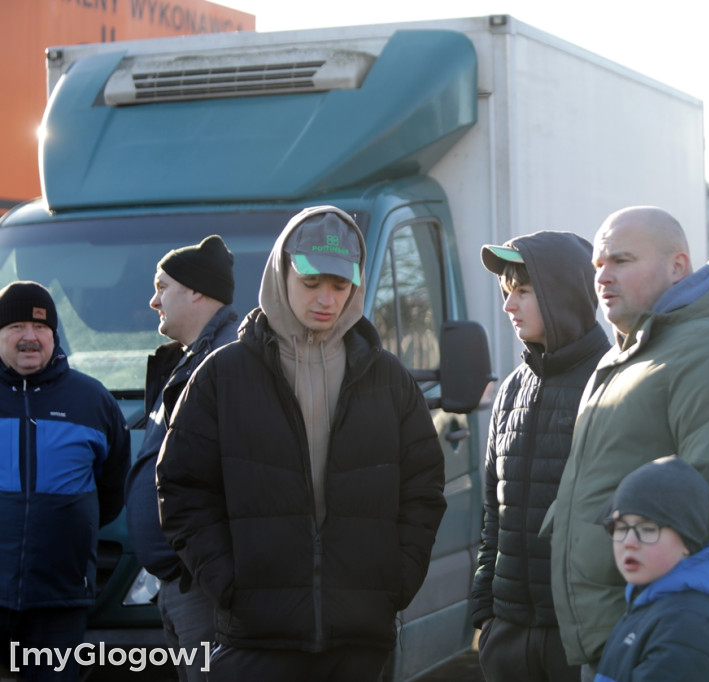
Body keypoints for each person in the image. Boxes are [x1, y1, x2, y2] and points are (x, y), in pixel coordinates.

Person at [155, 206, 447, 682]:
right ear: (280, 271)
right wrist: (231, 584)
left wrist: (394, 581)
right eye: (311, 283)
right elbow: (181, 487)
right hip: (254, 638)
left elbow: (423, 489)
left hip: (358, 639)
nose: (326, 299)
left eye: (340, 285)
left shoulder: (389, 378)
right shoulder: (223, 375)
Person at [545, 206, 709, 679]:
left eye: (621, 261)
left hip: (669, 641)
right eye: (598, 265)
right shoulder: (634, 351)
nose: (603, 277)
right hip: (626, 630)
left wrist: (669, 628)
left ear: (678, 266)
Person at [471, 231, 610, 682]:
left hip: (581, 640)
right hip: (509, 639)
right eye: (508, 293)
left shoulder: (613, 382)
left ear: (564, 295)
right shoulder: (511, 389)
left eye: (524, 292)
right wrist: (487, 616)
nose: (509, 306)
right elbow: (494, 512)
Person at [0, 281, 130, 681]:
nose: (29, 337)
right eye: (16, 326)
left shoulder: (93, 401)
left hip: (61, 600)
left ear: (54, 336)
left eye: (40, 328)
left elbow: (112, 490)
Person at [123, 235, 238, 682]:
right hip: (180, 584)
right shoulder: (187, 361)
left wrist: (213, 572)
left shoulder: (228, 361)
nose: (153, 301)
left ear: (196, 290)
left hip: (204, 588)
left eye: (161, 287)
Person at [595, 456, 709, 682]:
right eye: (620, 528)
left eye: (647, 529)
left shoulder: (689, 627)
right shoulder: (650, 602)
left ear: (687, 541)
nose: (628, 541)